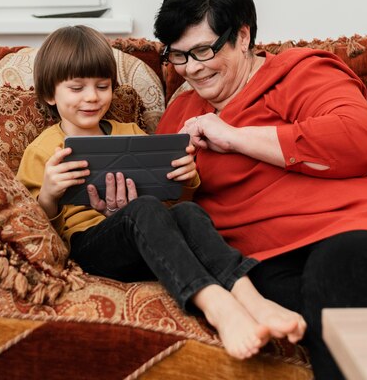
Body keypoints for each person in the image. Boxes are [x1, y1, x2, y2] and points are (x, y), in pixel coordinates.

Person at [153, 0, 367, 379]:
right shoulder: (179, 118)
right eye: (177, 55)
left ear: (242, 36)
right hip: (276, 256)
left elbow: (358, 141)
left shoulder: (300, 73)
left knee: (337, 270)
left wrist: (236, 137)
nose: (190, 69)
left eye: (202, 51)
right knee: (263, 291)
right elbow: (173, 214)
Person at [16, 25, 306, 360]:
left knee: (187, 212)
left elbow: (171, 199)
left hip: (148, 246)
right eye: (77, 88)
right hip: (90, 249)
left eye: (102, 86)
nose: (92, 97)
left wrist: (184, 178)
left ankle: (252, 300)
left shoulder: (131, 134)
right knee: (145, 210)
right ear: (51, 94)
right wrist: (50, 194)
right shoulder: (42, 150)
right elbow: (30, 230)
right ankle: (216, 305)